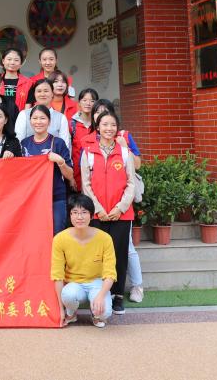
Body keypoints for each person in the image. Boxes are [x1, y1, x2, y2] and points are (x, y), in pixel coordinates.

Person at [79, 111, 135, 316]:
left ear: (117, 128)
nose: (109, 128)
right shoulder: (88, 152)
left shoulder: (125, 152)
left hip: (121, 214)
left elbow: (131, 183)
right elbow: (85, 184)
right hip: (97, 215)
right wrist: (98, 209)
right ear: (98, 127)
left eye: (112, 125)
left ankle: (117, 295)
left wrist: (120, 208)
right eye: (105, 124)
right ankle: (99, 293)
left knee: (119, 254)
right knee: (97, 255)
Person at [52, 194, 117, 328]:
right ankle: (71, 314)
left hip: (97, 282)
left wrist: (101, 296)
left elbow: (110, 273)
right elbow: (57, 275)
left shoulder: (105, 238)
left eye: (84, 212)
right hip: (74, 283)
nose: (79, 217)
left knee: (105, 312)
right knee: (68, 294)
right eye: (75, 212)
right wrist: (61, 310)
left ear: (91, 216)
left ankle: (96, 314)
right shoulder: (60, 239)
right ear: (70, 215)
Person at [21, 104, 74, 235]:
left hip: (56, 197)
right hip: (32, 198)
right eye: (35, 118)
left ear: (49, 121)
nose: (38, 122)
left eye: (42, 118)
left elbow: (70, 175)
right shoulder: (24, 144)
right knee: (36, 235)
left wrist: (60, 161)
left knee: (57, 235)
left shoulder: (58, 143)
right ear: (30, 121)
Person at [14, 79, 72, 149]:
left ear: (52, 94)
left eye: (46, 91)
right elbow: (18, 143)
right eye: (39, 91)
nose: (42, 94)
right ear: (34, 94)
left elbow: (65, 146)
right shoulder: (24, 115)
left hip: (54, 156)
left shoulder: (61, 118)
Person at [69, 88, 99, 189]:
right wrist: (71, 178)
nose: (88, 103)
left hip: (96, 174)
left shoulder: (100, 125)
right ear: (79, 103)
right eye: (84, 100)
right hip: (77, 174)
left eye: (92, 101)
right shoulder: (71, 124)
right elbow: (68, 150)